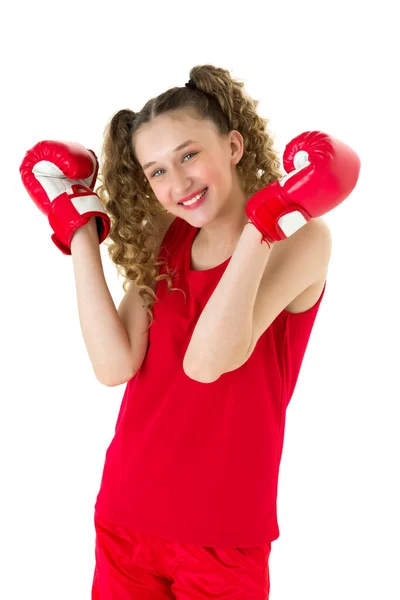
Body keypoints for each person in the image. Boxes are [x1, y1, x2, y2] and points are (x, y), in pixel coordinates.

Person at [19, 64, 360, 599]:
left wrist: (264, 226)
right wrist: (78, 228)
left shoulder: (302, 238)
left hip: (222, 534)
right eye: (156, 171)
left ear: (233, 144)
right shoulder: (168, 239)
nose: (177, 184)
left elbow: (207, 361)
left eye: (188, 155)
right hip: (126, 515)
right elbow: (114, 366)